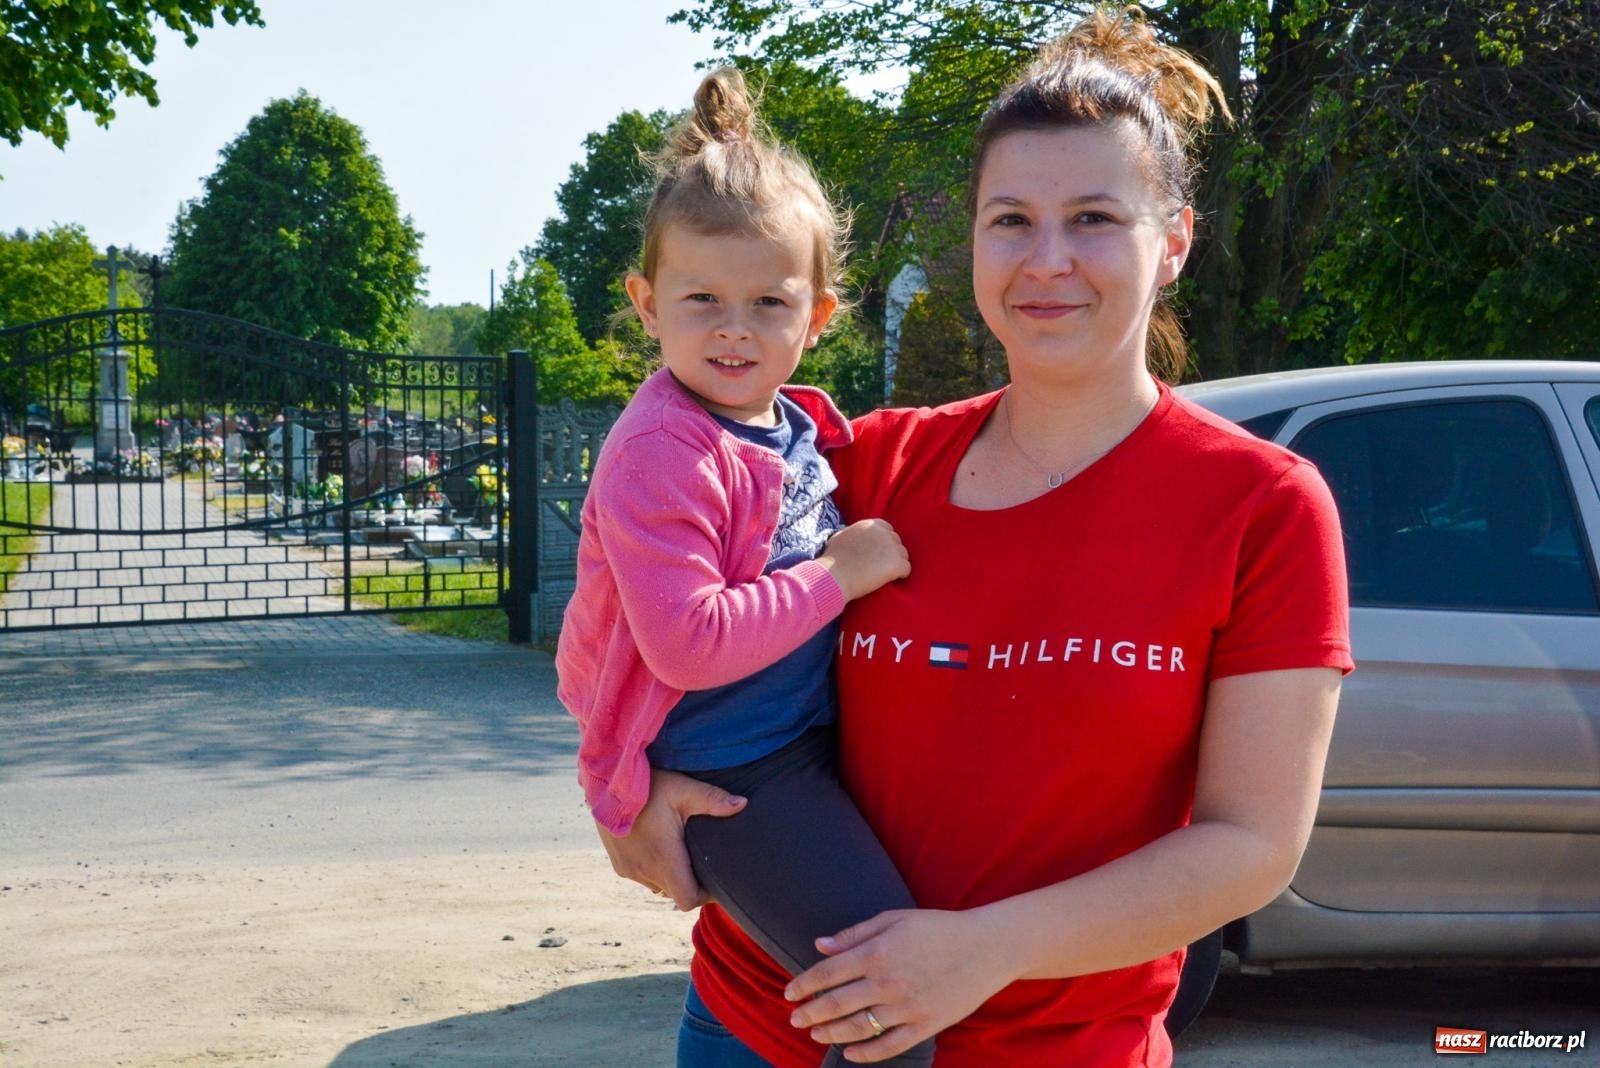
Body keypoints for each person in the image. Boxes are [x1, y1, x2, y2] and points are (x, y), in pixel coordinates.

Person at [598, 8, 1354, 1066]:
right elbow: (647, 605)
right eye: (1010, 220)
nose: (1046, 260)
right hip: (763, 1029)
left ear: (1172, 242)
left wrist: (979, 951)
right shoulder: (866, 464)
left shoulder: (1261, 505)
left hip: (1059, 1047)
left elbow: (1250, 847)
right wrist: (627, 790)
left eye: (1094, 217)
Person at [554, 69, 936, 1067]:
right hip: (737, 776)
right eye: (701, 298)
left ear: (819, 316)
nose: (733, 326)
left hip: (800, 750)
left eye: (768, 300)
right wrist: (838, 577)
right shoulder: (663, 453)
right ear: (645, 303)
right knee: (888, 1009)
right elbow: (688, 641)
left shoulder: (788, 424)